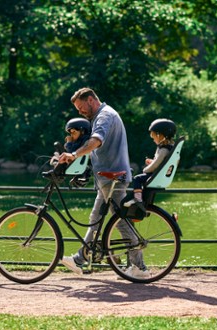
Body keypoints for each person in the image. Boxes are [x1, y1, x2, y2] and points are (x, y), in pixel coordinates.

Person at [58, 87, 149, 278]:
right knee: (101, 220)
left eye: (81, 107)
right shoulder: (104, 115)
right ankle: (81, 259)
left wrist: (74, 155)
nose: (80, 112)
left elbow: (96, 141)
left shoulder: (105, 116)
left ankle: (139, 268)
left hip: (113, 178)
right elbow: (96, 148)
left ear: (91, 100)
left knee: (115, 222)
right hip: (109, 177)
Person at [124, 118, 176, 210]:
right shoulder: (169, 148)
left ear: (160, 135)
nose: (153, 140)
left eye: (154, 137)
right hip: (160, 175)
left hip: (156, 176)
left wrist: (146, 169)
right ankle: (141, 199)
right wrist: (151, 161)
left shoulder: (163, 150)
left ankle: (138, 199)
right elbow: (161, 163)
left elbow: (156, 165)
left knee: (137, 178)